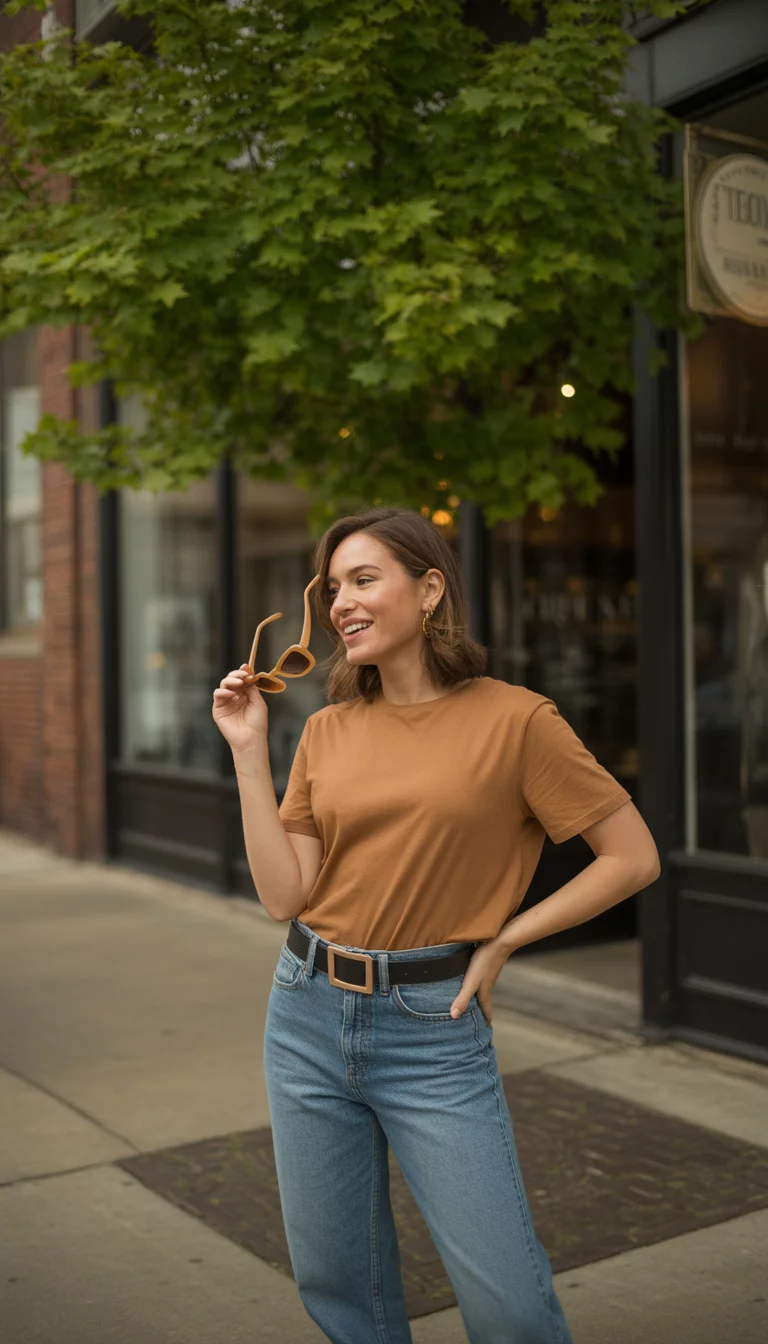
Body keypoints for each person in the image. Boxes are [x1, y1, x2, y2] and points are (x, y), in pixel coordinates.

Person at [212, 506, 660, 1344]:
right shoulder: (325, 728)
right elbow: (283, 896)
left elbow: (631, 858)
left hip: (432, 1025)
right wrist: (247, 751)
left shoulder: (518, 721)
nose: (342, 601)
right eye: (332, 585)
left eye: (364, 578)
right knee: (342, 1285)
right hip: (305, 1007)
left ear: (428, 590)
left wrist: (506, 940)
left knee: (511, 1307)